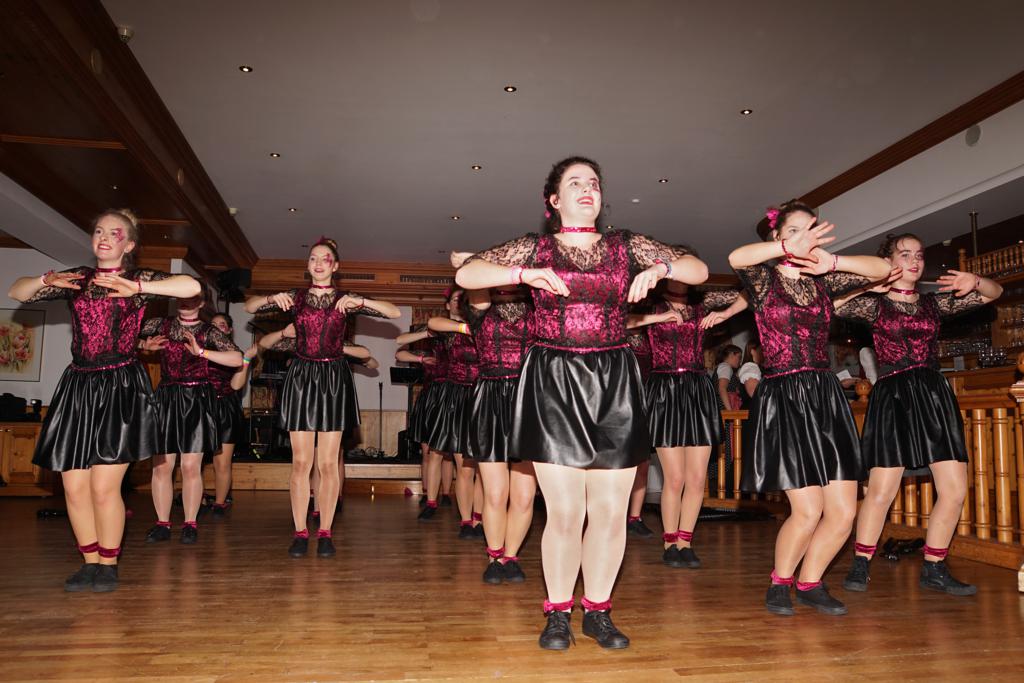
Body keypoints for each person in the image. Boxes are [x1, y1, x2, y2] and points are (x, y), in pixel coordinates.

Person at [457, 156, 709, 650]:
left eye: (593, 182)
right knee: (566, 511)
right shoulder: (537, 247)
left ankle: (598, 611)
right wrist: (524, 274)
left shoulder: (625, 244)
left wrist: (660, 268)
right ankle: (557, 613)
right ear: (554, 200)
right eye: (575, 183)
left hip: (614, 380)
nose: (587, 188)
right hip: (554, 379)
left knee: (611, 511)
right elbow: (468, 273)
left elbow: (697, 270)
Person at [7, 208, 200, 591]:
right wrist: (46, 279)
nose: (105, 237)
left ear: (129, 245)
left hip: (120, 386)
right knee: (73, 487)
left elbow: (190, 287)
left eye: (115, 233)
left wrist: (138, 288)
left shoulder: (138, 278)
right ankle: (90, 560)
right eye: (99, 231)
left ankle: (109, 564)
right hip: (78, 387)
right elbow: (17, 291)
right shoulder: (77, 279)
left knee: (103, 487)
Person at [728, 200, 889, 617]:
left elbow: (882, 269)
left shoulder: (823, 282)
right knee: (808, 509)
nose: (804, 237)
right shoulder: (763, 281)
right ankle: (780, 582)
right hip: (784, 397)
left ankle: (811, 581)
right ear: (778, 236)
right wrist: (787, 248)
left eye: (810, 229)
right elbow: (736, 257)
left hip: (825, 397)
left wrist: (832, 261)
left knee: (844, 512)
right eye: (794, 230)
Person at [835, 232, 1002, 596]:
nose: (914, 261)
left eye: (919, 255)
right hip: (893, 395)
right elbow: (831, 305)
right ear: (889, 261)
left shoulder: (933, 304)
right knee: (881, 490)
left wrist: (975, 280)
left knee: (954, 489)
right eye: (905, 254)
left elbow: (995, 293)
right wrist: (871, 284)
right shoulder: (874, 305)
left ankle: (934, 567)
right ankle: (861, 561)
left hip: (933, 395)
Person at [244, 237, 399, 558]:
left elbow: (393, 311)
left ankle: (325, 531)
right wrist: (272, 297)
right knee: (301, 462)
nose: (317, 263)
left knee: (328, 463)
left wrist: (359, 301)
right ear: (308, 265)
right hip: (301, 377)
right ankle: (300, 531)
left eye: (325, 258)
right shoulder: (296, 297)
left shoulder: (345, 298)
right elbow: (250, 306)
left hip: (333, 378)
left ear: (335, 266)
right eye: (313, 258)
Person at [627, 280, 746, 569]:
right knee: (675, 478)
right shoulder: (651, 304)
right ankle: (669, 542)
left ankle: (685, 541)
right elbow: (616, 321)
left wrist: (726, 313)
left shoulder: (702, 304)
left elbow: (753, 291)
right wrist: (656, 319)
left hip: (697, 391)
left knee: (696, 478)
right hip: (665, 391)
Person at [140, 291, 243, 545]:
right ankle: (162, 523)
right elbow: (121, 337)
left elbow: (237, 358)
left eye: (193, 297)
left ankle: (190, 523)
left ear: (202, 303)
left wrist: (202, 352)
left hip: (197, 399)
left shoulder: (210, 331)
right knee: (162, 466)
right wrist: (143, 346)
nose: (186, 301)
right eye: (182, 297)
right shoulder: (160, 324)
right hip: (166, 397)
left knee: (190, 466)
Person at [463, 284, 537, 583]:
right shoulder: (481, 304)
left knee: (524, 496)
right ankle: (494, 556)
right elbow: (470, 278)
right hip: (490, 400)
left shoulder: (538, 307)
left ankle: (511, 556)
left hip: (529, 401)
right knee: (494, 493)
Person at [427, 290, 484, 539]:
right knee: (465, 467)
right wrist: (465, 328)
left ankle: (480, 518)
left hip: (485, 397)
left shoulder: (488, 325)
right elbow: (432, 322)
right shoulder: (453, 330)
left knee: (485, 469)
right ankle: (466, 520)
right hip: (459, 399)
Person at [206, 313, 254, 517]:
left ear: (229, 330)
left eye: (222, 324)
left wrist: (246, 359)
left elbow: (236, 385)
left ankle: (220, 503)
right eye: (213, 324)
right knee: (195, 460)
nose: (217, 328)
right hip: (201, 407)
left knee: (222, 462)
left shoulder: (236, 354)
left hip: (225, 408)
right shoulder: (201, 351)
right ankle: (196, 498)